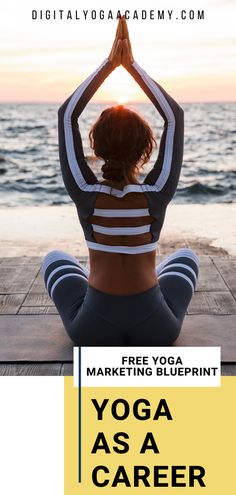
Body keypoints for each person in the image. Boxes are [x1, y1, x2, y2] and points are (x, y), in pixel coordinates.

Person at [42, 17, 199, 346]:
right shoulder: (156, 193)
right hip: (157, 330)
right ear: (146, 148)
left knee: (56, 258)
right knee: (185, 258)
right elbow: (175, 116)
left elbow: (66, 114)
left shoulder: (86, 193)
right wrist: (132, 66)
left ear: (96, 147)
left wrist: (110, 63)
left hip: (92, 331)